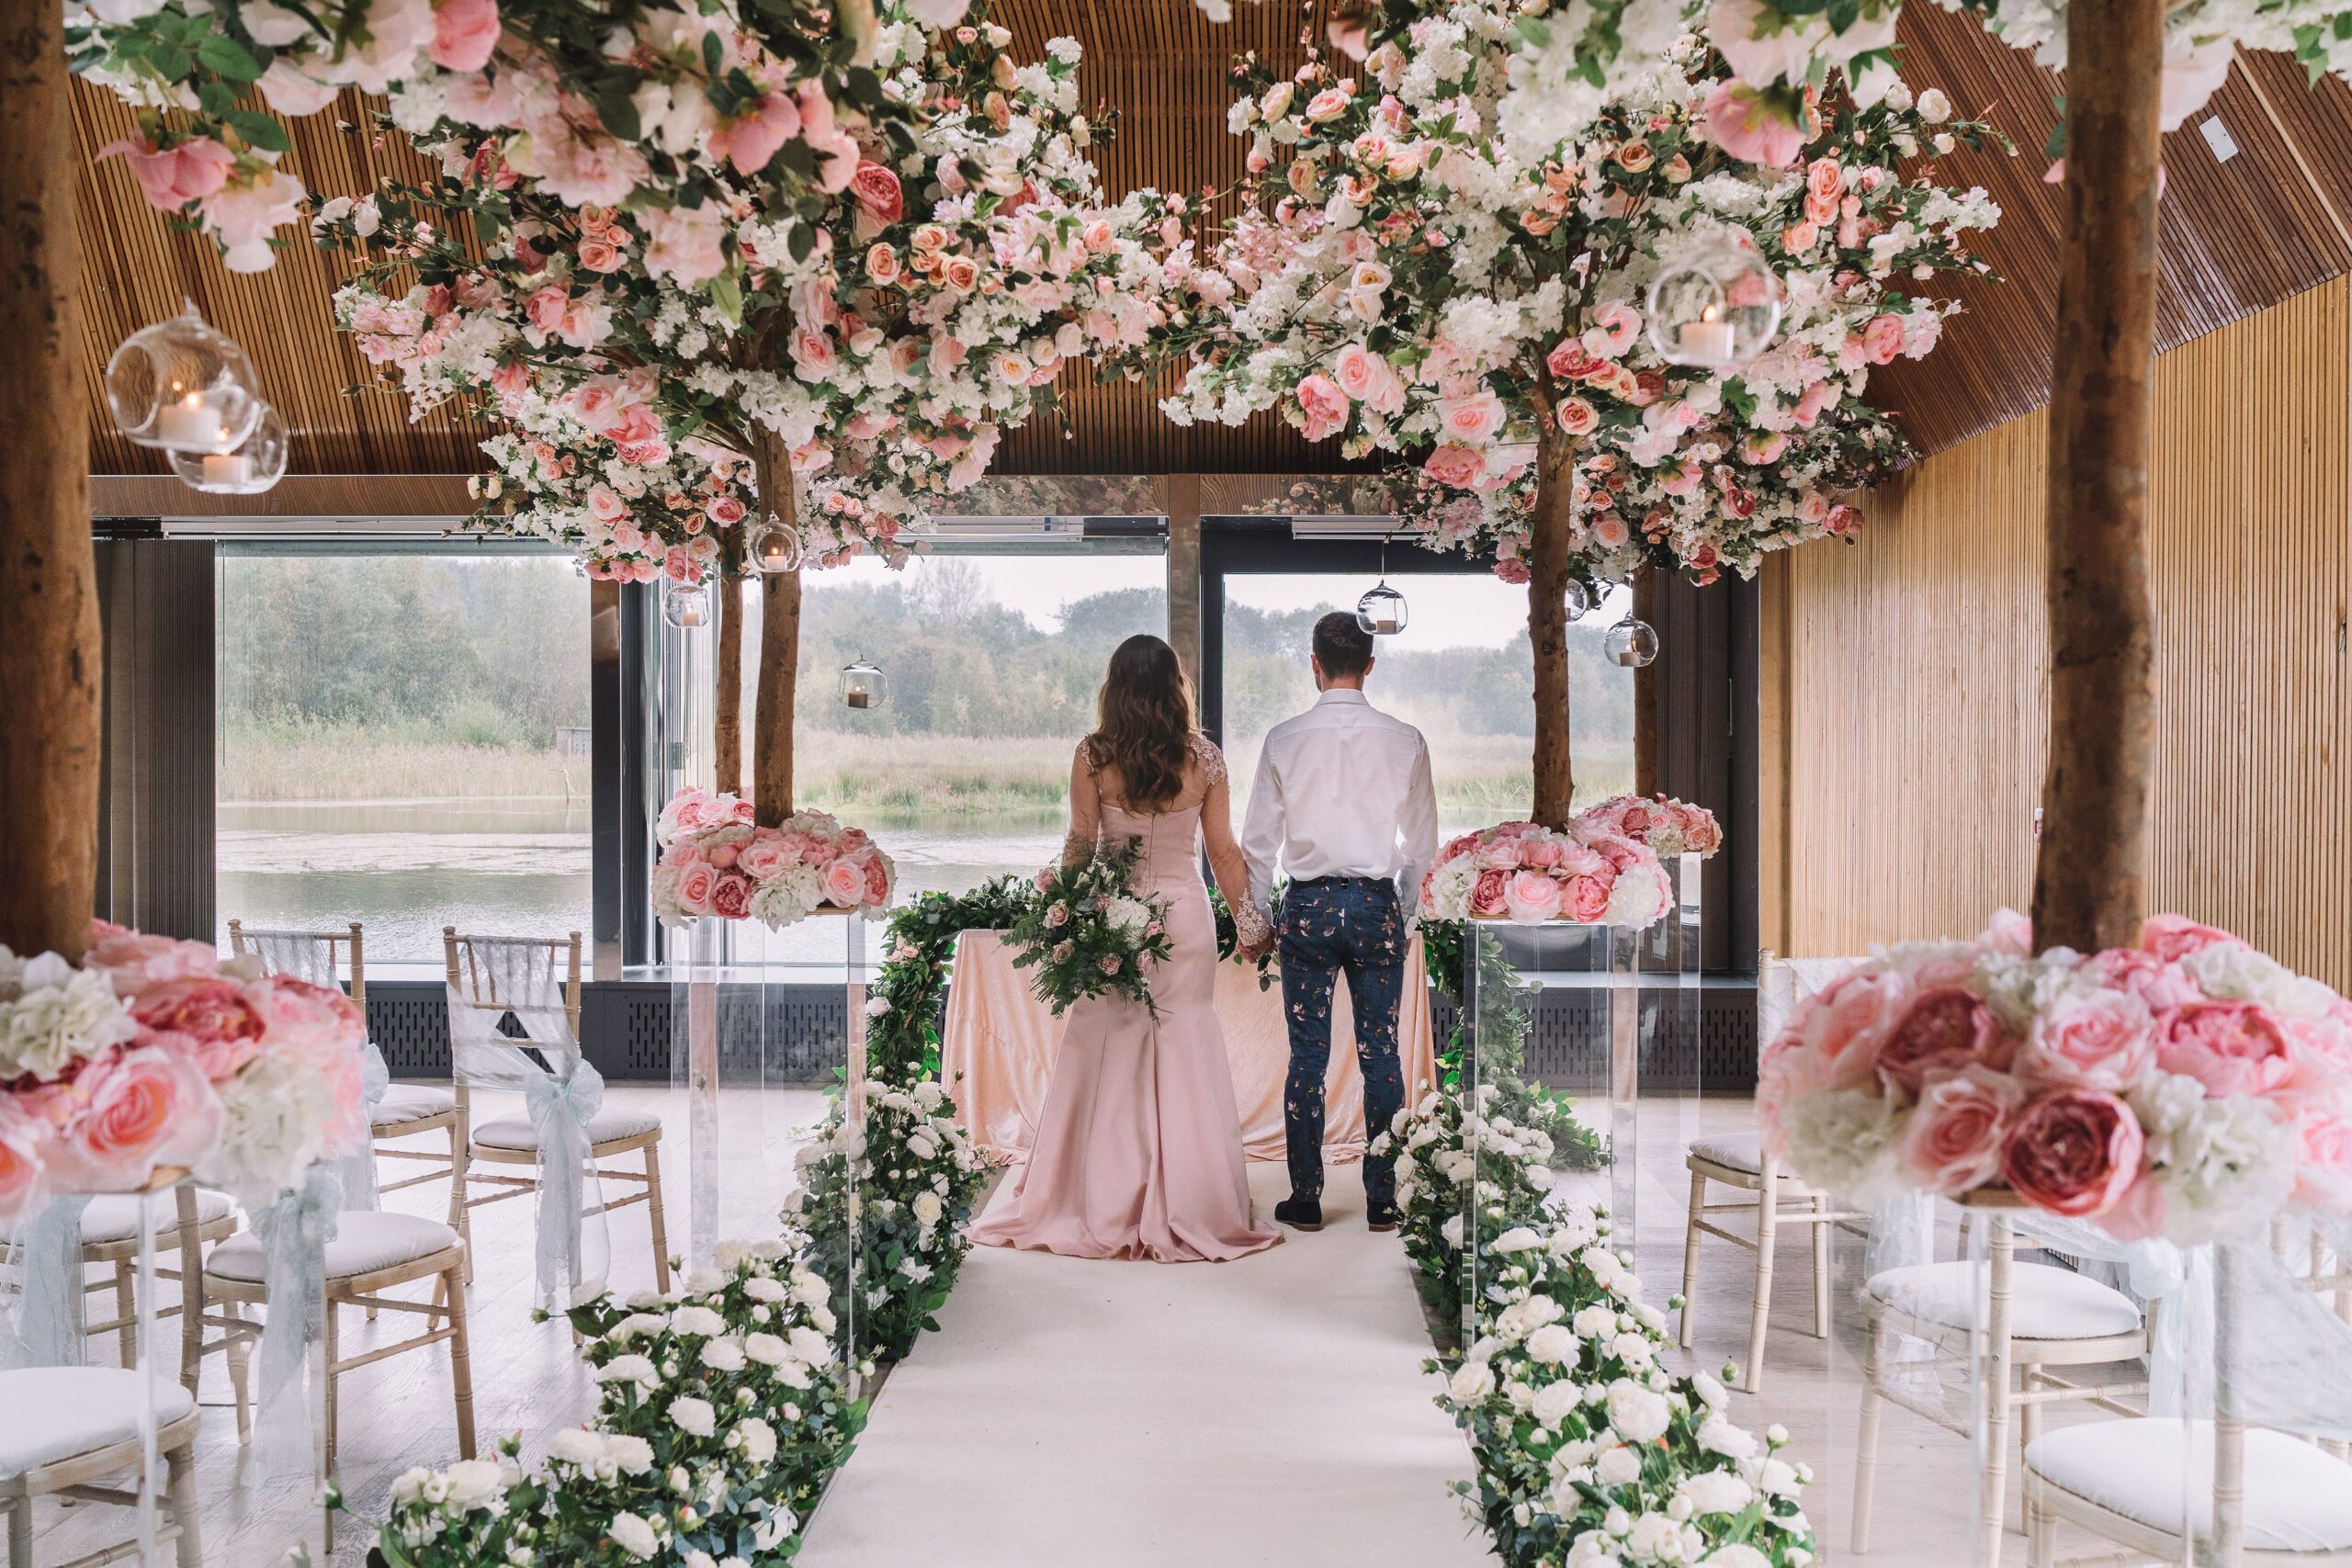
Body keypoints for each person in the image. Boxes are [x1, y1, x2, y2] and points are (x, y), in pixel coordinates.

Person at [970, 634, 1283, 1263]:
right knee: (1183, 1040)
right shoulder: (1205, 759)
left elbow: (1081, 846)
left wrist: (1065, 917)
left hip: (1112, 917)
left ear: (1114, 688)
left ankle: (1096, 1195)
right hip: (1185, 921)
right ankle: (1195, 1199)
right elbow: (1222, 852)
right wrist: (1251, 924)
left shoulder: (1094, 755)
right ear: (1175, 686)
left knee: (1105, 1042)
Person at [1239, 612, 1438, 1234]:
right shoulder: (1406, 739)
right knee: (1381, 1052)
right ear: (1370, 665)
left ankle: (1306, 1196)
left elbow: (1258, 845)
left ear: (1315, 663)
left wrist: (1254, 924)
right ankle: (1384, 1198)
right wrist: (1401, 913)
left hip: (1308, 907)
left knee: (1307, 1057)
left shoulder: (1283, 738)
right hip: (1376, 904)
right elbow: (1424, 847)